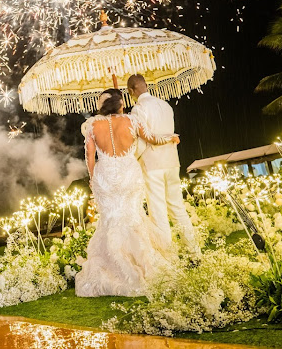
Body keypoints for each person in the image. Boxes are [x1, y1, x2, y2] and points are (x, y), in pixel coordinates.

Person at [75, 89, 179, 297]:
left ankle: (115, 263)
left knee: (110, 220)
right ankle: (140, 261)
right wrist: (170, 137)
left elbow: (89, 154)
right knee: (133, 218)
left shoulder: (93, 125)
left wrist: (93, 177)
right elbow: (152, 138)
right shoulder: (131, 120)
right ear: (121, 104)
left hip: (105, 176)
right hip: (129, 173)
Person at [127, 74, 201, 259]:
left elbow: (145, 139)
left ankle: (169, 257)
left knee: (157, 210)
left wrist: (132, 158)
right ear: (145, 85)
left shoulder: (138, 109)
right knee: (177, 207)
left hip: (153, 164)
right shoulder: (165, 105)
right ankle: (194, 253)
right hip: (172, 161)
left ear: (131, 91)